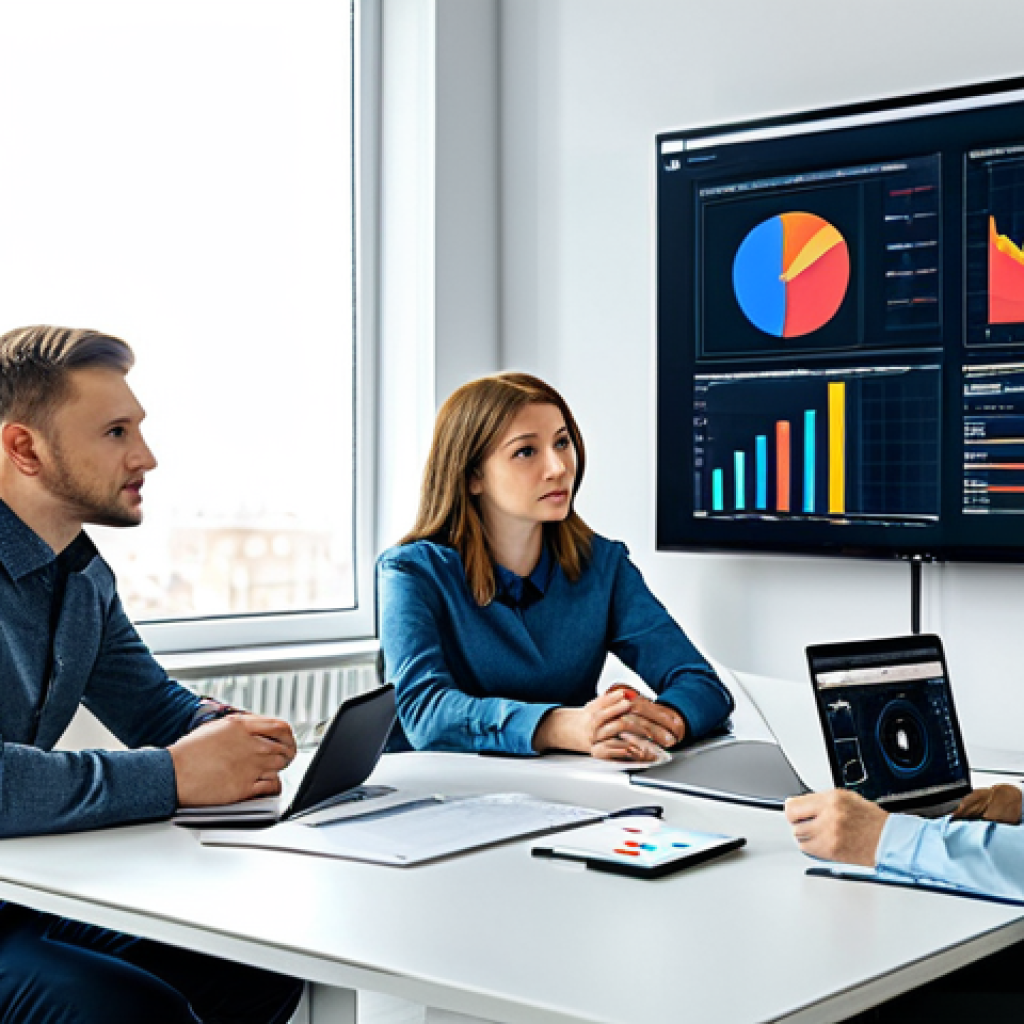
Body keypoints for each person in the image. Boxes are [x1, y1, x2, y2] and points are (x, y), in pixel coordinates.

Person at [0, 325, 303, 1023]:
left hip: (21, 895)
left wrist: (225, 732)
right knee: (130, 1012)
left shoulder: (81, 576)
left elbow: (154, 705)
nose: (147, 457)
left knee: (255, 958)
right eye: (114, 432)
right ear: (25, 448)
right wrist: (171, 774)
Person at [378, 371, 733, 760]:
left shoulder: (604, 565)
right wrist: (562, 726)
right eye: (526, 451)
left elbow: (701, 683)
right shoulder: (411, 573)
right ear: (472, 476)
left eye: (562, 443)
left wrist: (660, 721)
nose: (559, 467)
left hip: (571, 791)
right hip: (439, 793)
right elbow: (423, 712)